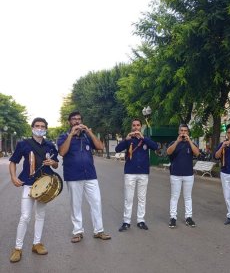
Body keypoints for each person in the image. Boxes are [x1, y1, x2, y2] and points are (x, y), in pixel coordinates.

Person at [9, 117, 59, 263]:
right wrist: (13, 177)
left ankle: (36, 244)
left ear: (46, 129)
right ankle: (17, 248)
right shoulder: (23, 144)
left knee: (40, 215)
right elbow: (13, 162)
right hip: (29, 183)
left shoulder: (50, 145)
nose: (40, 128)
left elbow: (56, 164)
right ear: (32, 127)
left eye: (43, 126)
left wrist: (53, 162)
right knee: (25, 216)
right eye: (37, 126)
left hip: (45, 185)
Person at [57, 111, 111, 243]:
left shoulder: (87, 137)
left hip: (90, 175)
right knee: (76, 205)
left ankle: (99, 231)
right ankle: (77, 232)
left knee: (96, 202)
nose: (77, 121)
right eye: (74, 119)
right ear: (69, 122)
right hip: (73, 175)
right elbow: (62, 152)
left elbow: (100, 147)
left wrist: (89, 132)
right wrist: (71, 135)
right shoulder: (64, 136)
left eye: (79, 119)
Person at [116, 119, 158, 232]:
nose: (136, 127)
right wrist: (126, 139)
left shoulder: (145, 140)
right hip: (130, 172)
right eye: (134, 125)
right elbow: (117, 149)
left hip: (143, 173)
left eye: (138, 125)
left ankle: (141, 220)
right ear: (131, 127)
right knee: (128, 198)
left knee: (142, 198)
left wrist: (143, 137)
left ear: (141, 127)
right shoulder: (129, 140)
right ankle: (126, 222)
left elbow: (155, 147)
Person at [166, 123, 200, 228]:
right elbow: (168, 152)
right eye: (182, 131)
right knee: (174, 197)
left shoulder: (191, 143)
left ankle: (188, 217)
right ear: (178, 132)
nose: (183, 133)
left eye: (185, 131)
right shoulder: (173, 143)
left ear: (188, 132)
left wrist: (189, 140)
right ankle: (173, 218)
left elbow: (197, 153)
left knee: (188, 197)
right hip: (175, 174)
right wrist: (177, 141)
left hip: (188, 175)